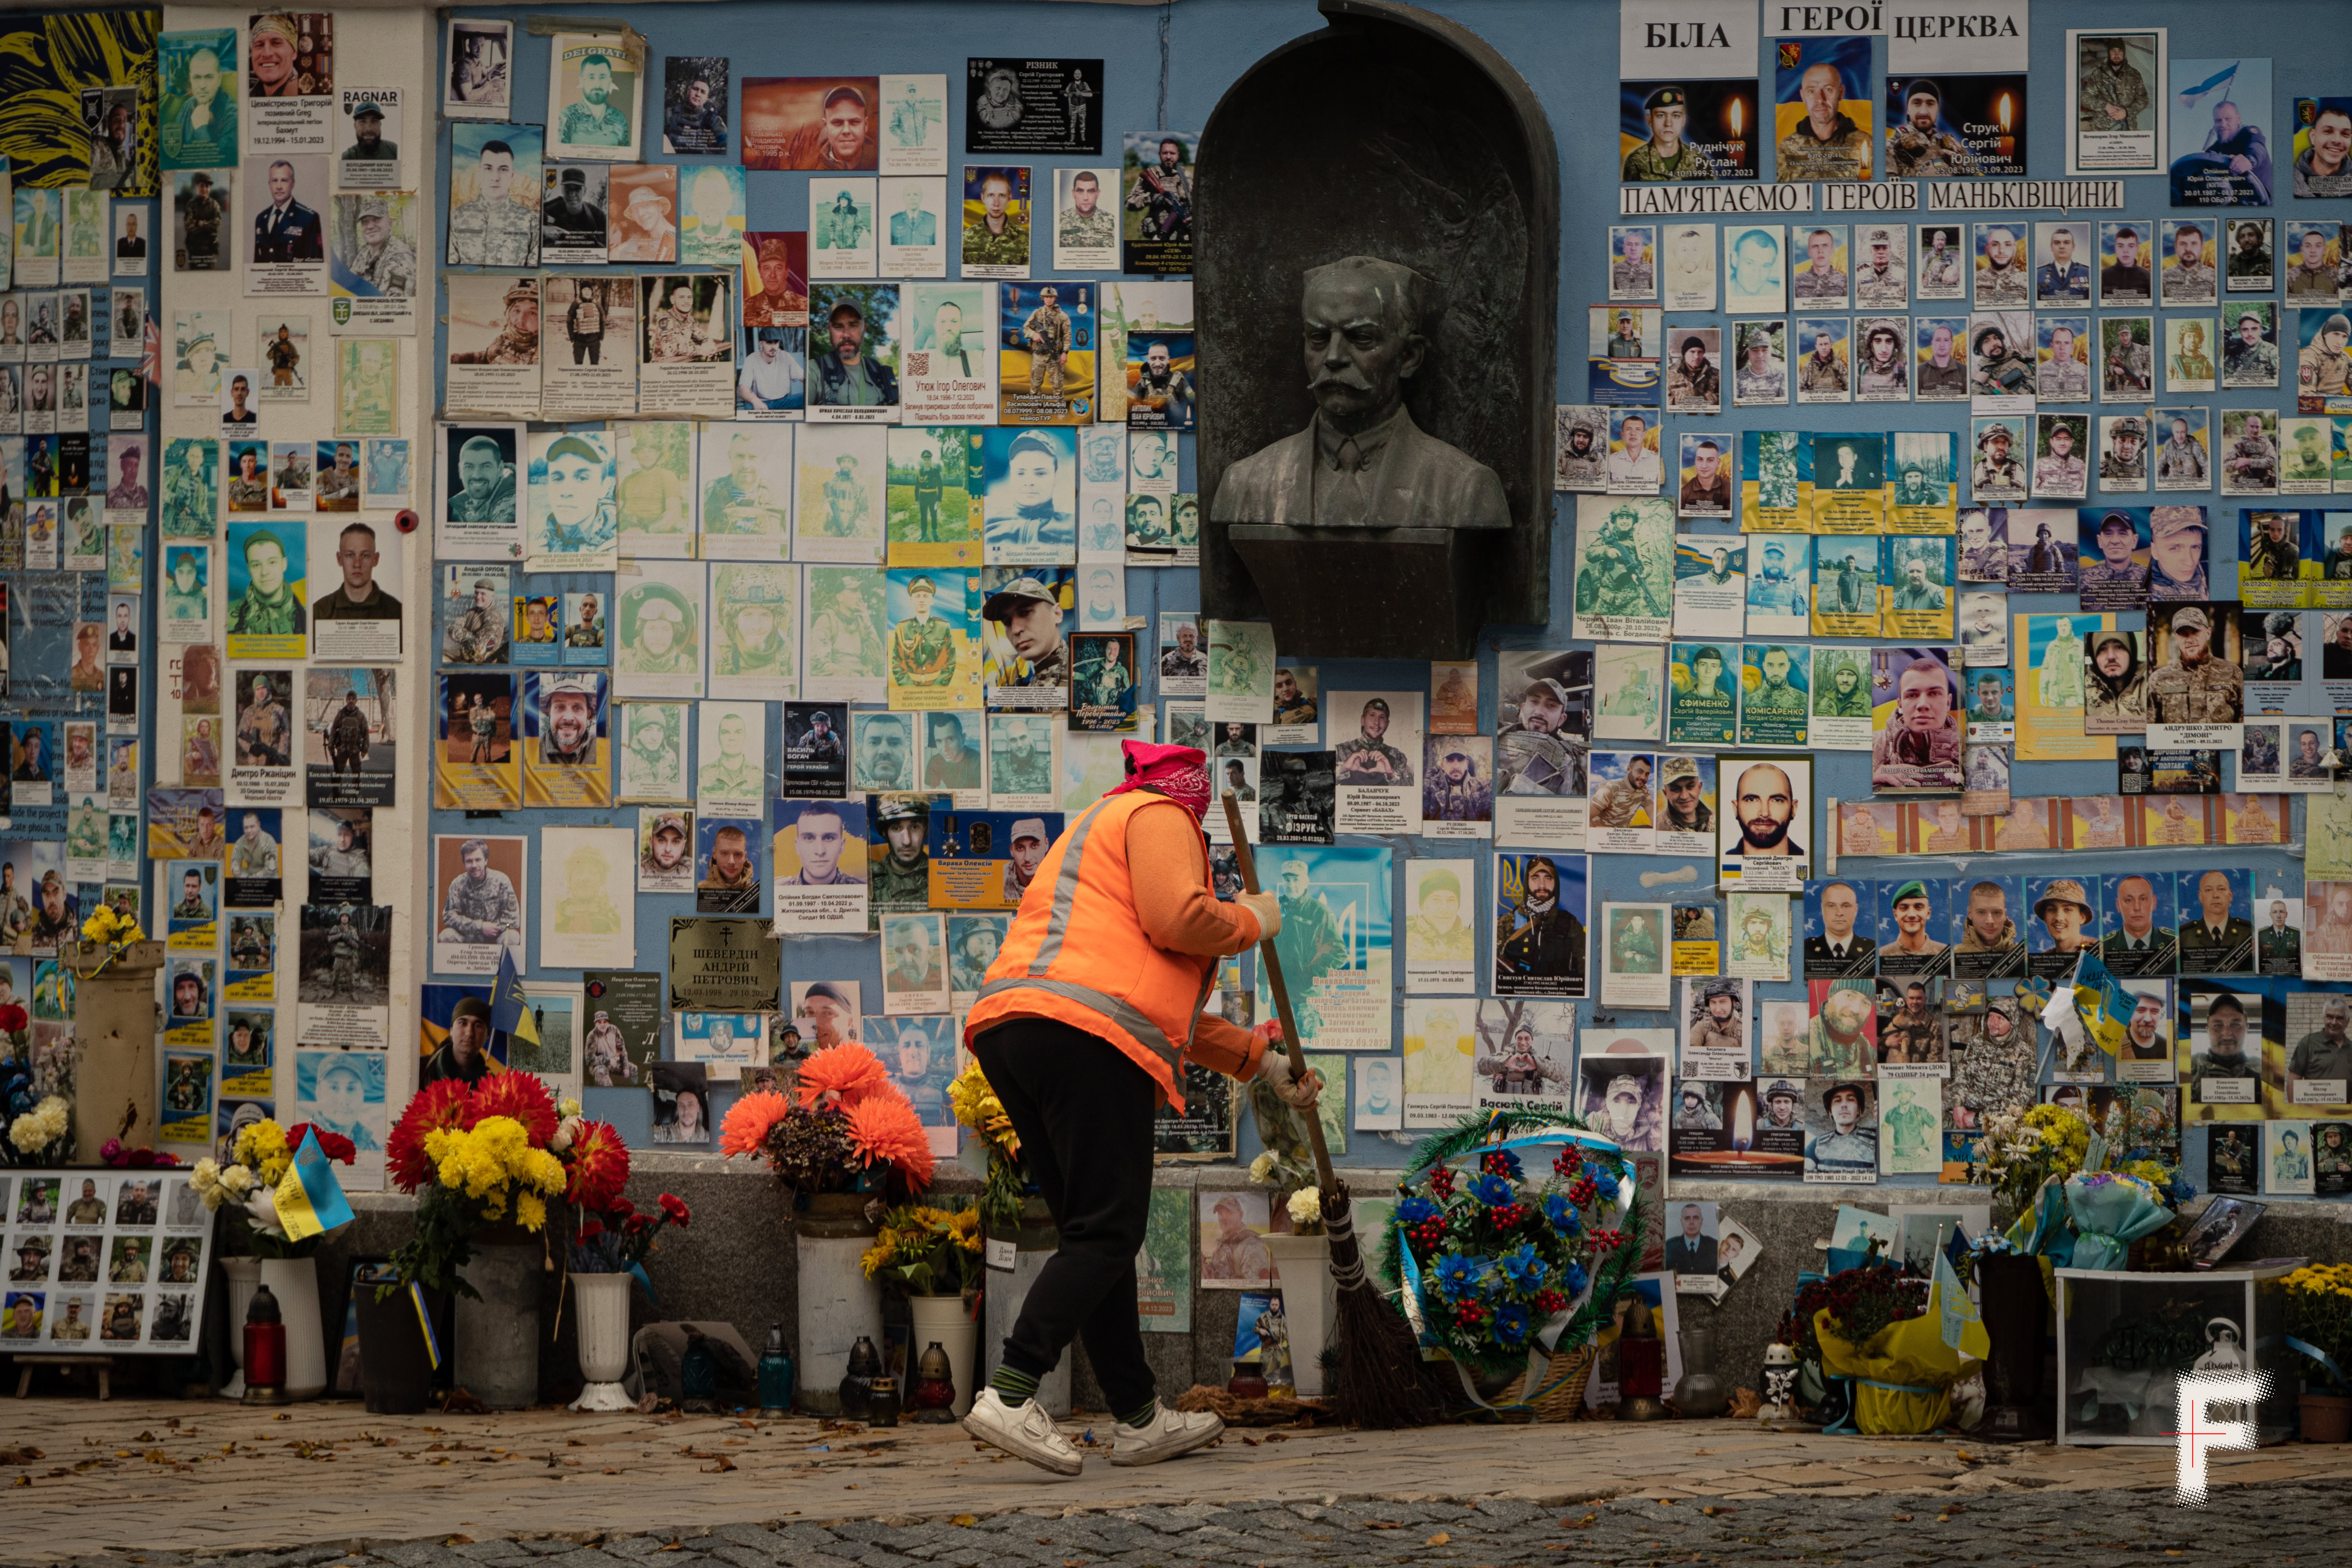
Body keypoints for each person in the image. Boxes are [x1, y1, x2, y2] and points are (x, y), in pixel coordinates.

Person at [957, 741, 1311, 1472]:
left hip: (1021, 1027)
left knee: (1097, 1231)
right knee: (1110, 1231)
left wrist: (1265, 1063)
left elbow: (1159, 1010)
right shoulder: (1157, 814)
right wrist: (1252, 919)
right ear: (1191, 792)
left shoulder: (1098, 833)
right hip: (1085, 1037)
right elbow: (1178, 918)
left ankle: (1139, 1417)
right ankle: (1014, 1390)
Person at [1777, 60, 1869, 181]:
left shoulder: (1866, 144)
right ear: (1803, 97)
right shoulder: (1787, 147)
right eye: (1811, 91)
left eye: (1828, 90)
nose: (1820, 99)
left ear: (1841, 93)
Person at [812, 297, 896, 407]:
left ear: (864, 329)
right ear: (829, 330)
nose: (846, 334)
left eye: (853, 326)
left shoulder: (878, 370)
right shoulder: (814, 370)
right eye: (838, 326)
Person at [251, 158, 323, 263]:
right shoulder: (261, 218)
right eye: (275, 181)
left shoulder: (308, 218)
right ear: (269, 184)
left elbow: (315, 266)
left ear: (293, 184)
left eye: (284, 180)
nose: (279, 187)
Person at [420, 995, 496, 1087]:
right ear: (451, 1030)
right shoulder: (421, 1069)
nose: (470, 1033)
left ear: (487, 1035)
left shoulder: (492, 1086)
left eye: (478, 1026)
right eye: (463, 1023)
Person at [558, 52, 630, 148]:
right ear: (582, 81)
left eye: (602, 77)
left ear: (609, 81)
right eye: (591, 77)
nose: (597, 84)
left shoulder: (619, 118)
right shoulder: (566, 115)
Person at [1806, 1083, 1876, 1173]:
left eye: (1851, 1100)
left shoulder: (1875, 1139)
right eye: (1838, 1101)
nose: (1844, 1105)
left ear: (1859, 1110)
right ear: (1830, 1111)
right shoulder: (1819, 1143)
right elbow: (1803, 1168)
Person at [2292, 999, 2352, 1086]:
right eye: (2330, 1017)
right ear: (2324, 1018)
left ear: (2348, 1021)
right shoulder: (2307, 1043)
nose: (2334, 1022)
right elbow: (2293, 1082)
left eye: (2340, 1018)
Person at [2037, 225, 2090, 301]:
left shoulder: (2087, 272)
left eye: (2067, 243)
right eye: (2057, 243)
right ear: (2051, 247)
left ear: (2073, 247)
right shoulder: (2039, 274)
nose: (2062, 247)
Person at [1663, 1204, 1718, 1275]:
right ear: (1681, 1222)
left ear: (1702, 1221)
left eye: (1696, 1218)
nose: (1692, 1223)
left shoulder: (1714, 1247)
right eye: (1687, 1218)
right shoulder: (1669, 1248)